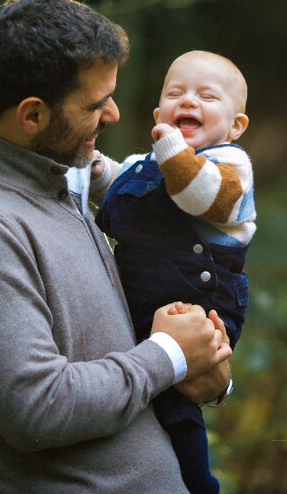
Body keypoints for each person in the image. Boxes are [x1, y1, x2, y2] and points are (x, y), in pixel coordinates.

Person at [0, 0, 232, 493]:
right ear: (32, 115)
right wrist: (168, 355)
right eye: (94, 104)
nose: (113, 115)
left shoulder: (58, 173)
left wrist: (201, 372)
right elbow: (37, 408)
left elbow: (110, 350)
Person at [91, 50, 255, 494]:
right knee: (151, 403)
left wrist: (171, 149)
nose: (190, 102)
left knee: (180, 409)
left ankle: (197, 484)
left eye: (207, 96)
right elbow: (122, 185)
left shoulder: (230, 165)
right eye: (176, 93)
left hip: (199, 307)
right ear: (158, 111)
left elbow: (201, 195)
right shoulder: (149, 163)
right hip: (145, 308)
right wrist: (99, 170)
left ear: (236, 125)